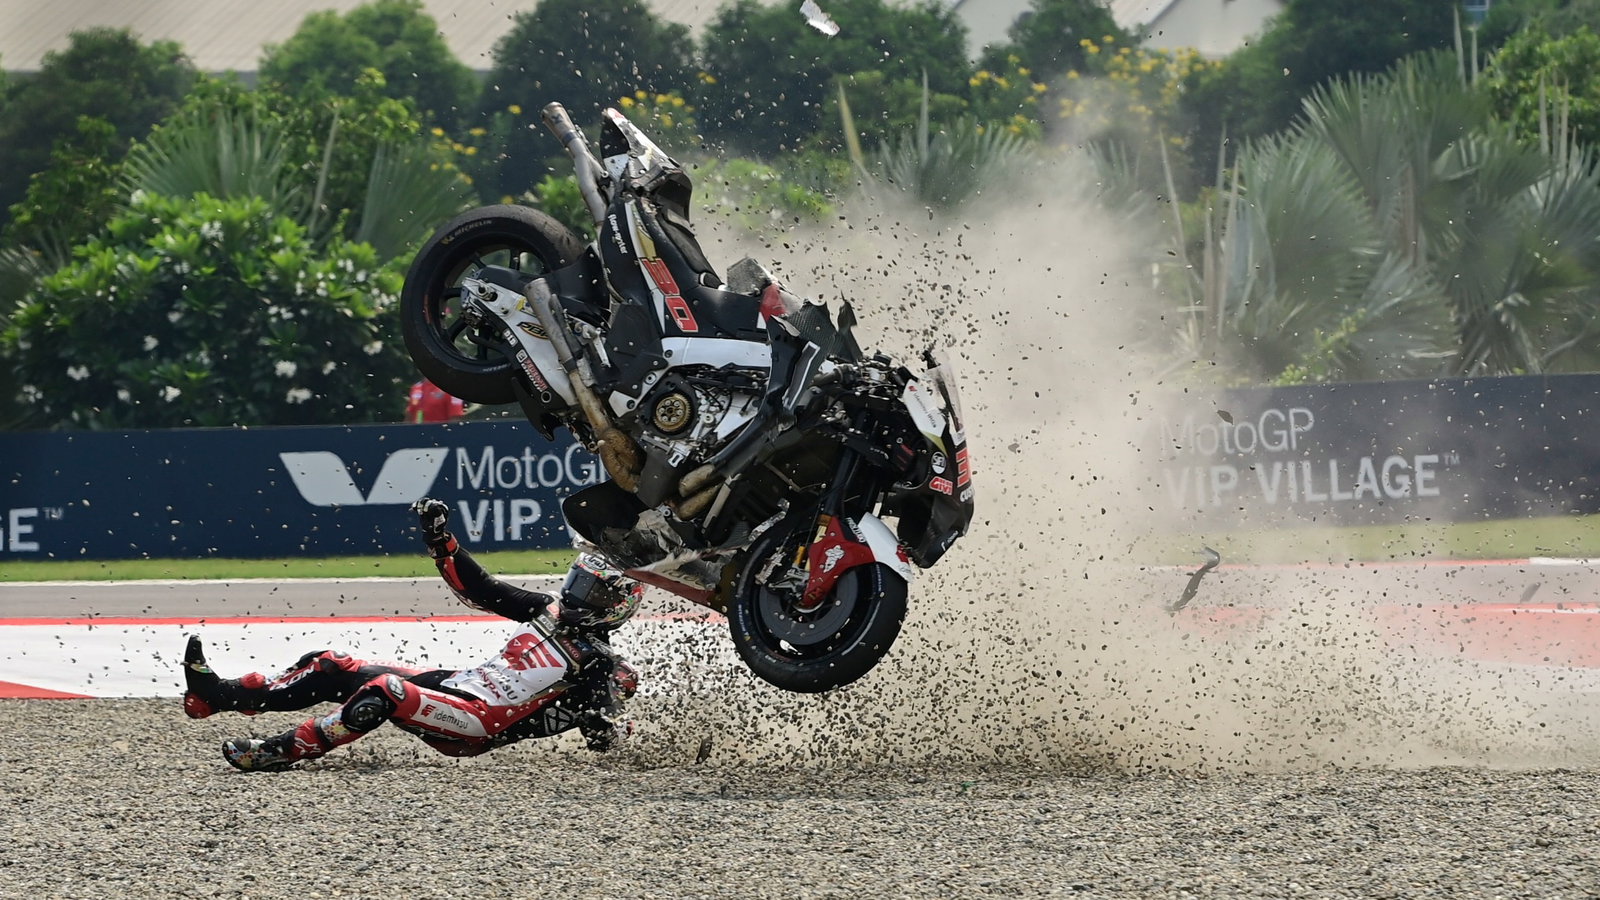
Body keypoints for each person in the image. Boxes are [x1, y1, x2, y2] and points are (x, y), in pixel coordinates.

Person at [182, 499, 643, 772]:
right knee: (329, 664)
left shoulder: (603, 662)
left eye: (593, 591)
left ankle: (278, 752)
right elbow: (482, 589)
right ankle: (215, 696)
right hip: (454, 686)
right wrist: (442, 542)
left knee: (384, 691)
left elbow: (602, 727)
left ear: (618, 605)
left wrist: (611, 733)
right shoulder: (548, 610)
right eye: (577, 582)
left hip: (478, 723)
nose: (578, 595)